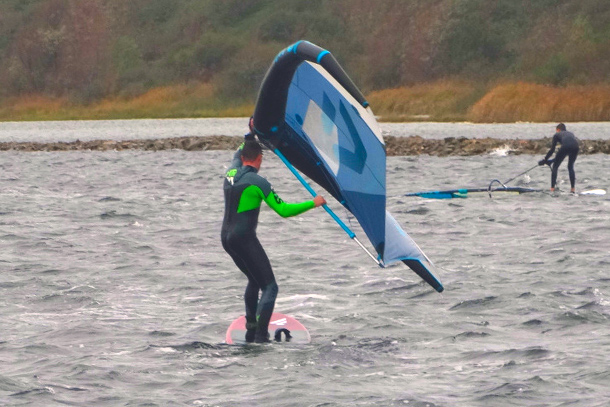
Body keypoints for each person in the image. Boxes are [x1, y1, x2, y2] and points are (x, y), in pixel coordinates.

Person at [221, 133, 326, 343]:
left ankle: (251, 325)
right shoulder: (259, 182)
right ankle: (260, 335)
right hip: (245, 239)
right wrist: (313, 203)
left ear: (243, 157)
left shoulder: (230, 173)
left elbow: (238, 151)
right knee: (270, 287)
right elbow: (284, 210)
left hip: (226, 238)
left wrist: (250, 135)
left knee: (253, 278)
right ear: (259, 159)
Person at [538, 123, 580, 193]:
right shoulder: (570, 133)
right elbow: (562, 156)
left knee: (555, 167)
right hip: (576, 147)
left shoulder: (556, 135)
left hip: (565, 147)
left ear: (558, 130)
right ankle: (573, 189)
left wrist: (545, 159)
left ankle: (552, 189)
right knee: (570, 167)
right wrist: (551, 160)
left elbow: (552, 150)